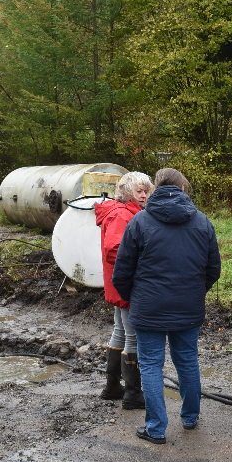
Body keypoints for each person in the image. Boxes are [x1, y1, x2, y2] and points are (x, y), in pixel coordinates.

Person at [113, 168, 221, 444]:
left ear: (154, 189)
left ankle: (156, 428)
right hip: (187, 307)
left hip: (149, 308)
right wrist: (194, 292)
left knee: (150, 364)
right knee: (187, 361)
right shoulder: (202, 222)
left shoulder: (139, 222)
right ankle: (190, 417)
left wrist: (136, 297)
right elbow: (213, 269)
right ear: (183, 188)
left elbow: (122, 273)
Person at [95, 171, 153, 410]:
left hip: (117, 282)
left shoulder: (125, 212)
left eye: (146, 191)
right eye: (139, 191)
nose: (144, 195)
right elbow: (114, 250)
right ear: (127, 192)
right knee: (132, 334)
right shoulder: (121, 214)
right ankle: (132, 392)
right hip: (126, 283)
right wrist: (140, 265)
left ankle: (112, 386)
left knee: (120, 330)